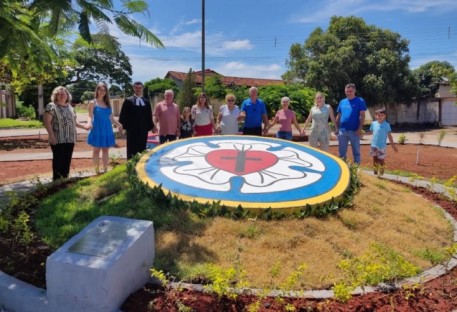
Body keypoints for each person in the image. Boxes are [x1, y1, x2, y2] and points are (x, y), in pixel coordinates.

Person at [44, 86, 89, 181]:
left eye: (64, 94)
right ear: (55, 96)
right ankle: (56, 182)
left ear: (67, 95)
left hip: (70, 139)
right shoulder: (51, 106)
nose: (62, 95)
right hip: (58, 139)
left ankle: (65, 181)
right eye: (59, 94)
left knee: (66, 161)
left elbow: (74, 122)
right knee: (58, 161)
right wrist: (51, 136)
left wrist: (85, 126)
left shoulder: (70, 107)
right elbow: (47, 122)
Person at [86, 82, 123, 174]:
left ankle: (105, 170)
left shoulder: (107, 104)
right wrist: (88, 123)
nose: (102, 92)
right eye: (100, 89)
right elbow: (90, 116)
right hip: (97, 129)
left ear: (106, 92)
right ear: (97, 90)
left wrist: (119, 124)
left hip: (107, 130)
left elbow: (110, 118)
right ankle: (97, 171)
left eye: (104, 90)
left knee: (106, 150)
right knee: (96, 151)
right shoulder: (93, 102)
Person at [119, 81, 154, 159]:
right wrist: (122, 126)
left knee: (142, 147)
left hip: (143, 130)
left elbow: (149, 115)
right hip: (132, 130)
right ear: (133, 88)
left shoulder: (146, 102)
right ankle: (131, 166)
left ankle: (140, 165)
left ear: (142, 89)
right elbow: (123, 115)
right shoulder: (128, 101)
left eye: (140, 88)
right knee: (132, 148)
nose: (138, 89)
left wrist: (152, 126)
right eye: (136, 88)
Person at [336, 83, 367, 164]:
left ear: (354, 91)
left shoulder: (360, 101)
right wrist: (336, 128)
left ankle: (357, 169)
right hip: (342, 131)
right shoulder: (342, 102)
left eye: (350, 91)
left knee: (356, 152)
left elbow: (363, 116)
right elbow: (338, 116)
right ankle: (343, 169)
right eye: (347, 91)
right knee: (341, 153)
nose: (348, 93)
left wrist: (359, 129)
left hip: (354, 131)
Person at [368, 108, 398, 177]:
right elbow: (370, 132)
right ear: (375, 116)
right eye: (378, 115)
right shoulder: (373, 123)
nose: (380, 117)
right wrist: (361, 133)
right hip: (373, 146)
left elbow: (390, 136)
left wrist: (393, 146)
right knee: (375, 160)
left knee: (381, 160)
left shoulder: (386, 125)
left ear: (385, 116)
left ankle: (381, 175)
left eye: (382, 115)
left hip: (381, 146)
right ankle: (375, 174)